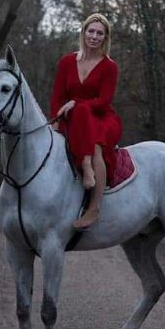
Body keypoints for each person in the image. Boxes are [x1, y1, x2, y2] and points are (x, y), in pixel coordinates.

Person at [51, 13, 123, 230]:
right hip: (72, 118)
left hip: (102, 118)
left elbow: (103, 101)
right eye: (90, 31)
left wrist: (76, 102)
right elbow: (57, 96)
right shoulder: (66, 62)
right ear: (83, 32)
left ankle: (94, 208)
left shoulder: (109, 66)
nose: (94, 36)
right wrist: (55, 120)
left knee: (95, 145)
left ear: (105, 38)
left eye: (99, 33)